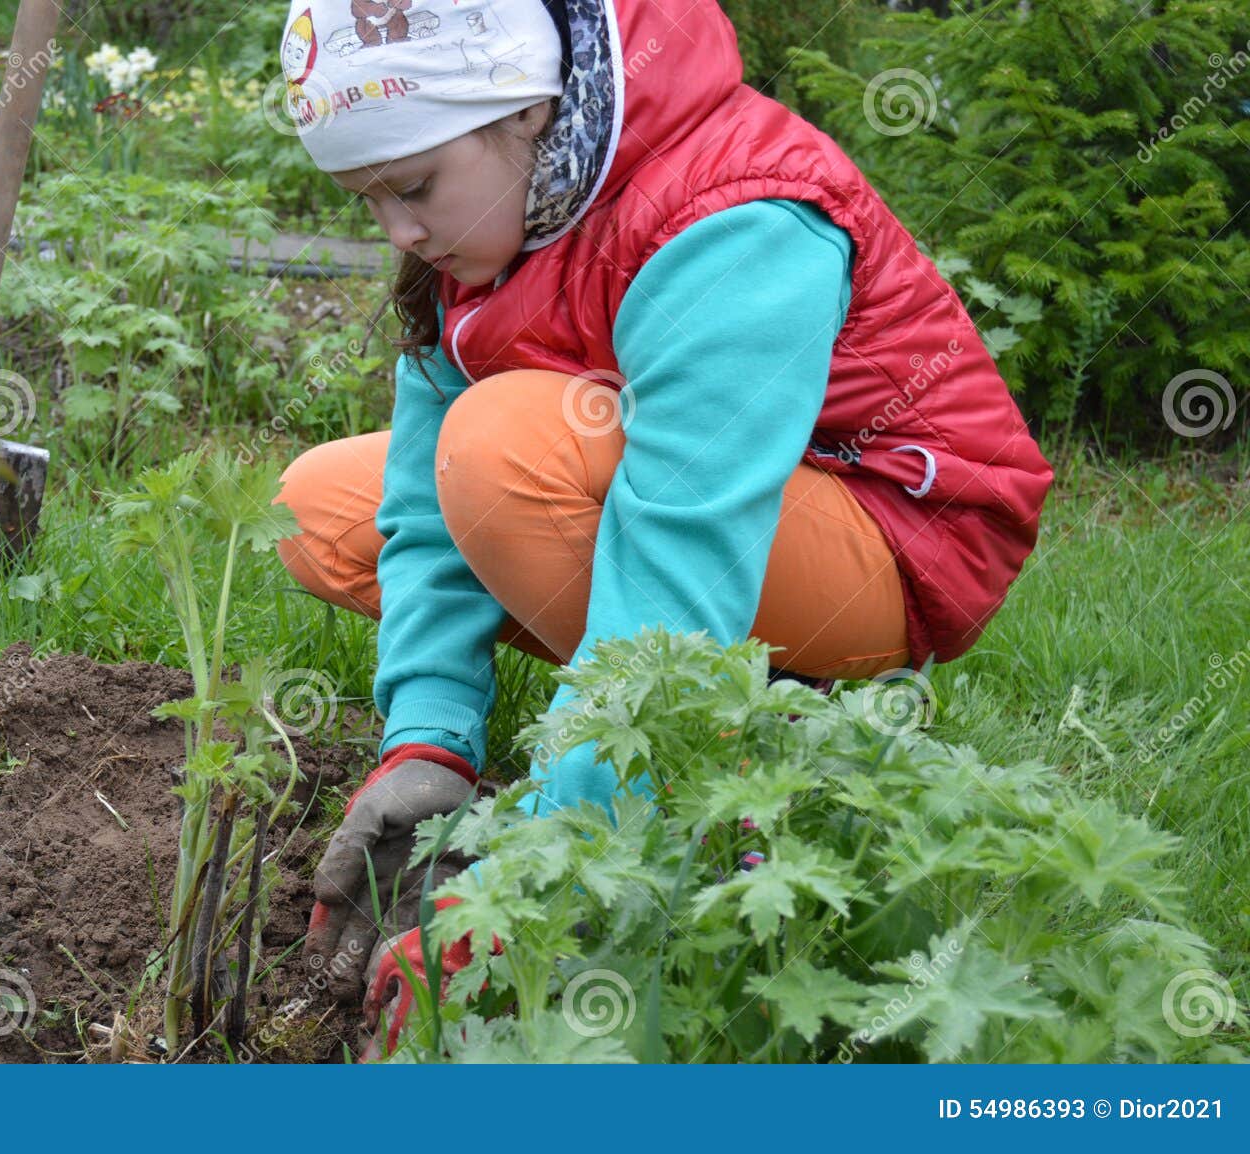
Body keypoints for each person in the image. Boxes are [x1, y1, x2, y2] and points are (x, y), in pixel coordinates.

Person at [271, 0, 1053, 1055]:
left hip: (892, 533)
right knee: (320, 508)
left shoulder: (735, 214)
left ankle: (688, 745)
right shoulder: (495, 228)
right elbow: (417, 501)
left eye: (414, 188)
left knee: (500, 449)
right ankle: (639, 728)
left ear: (530, 113)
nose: (399, 232)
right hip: (684, 492)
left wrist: (530, 860)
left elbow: (683, 544)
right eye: (370, 200)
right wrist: (428, 737)